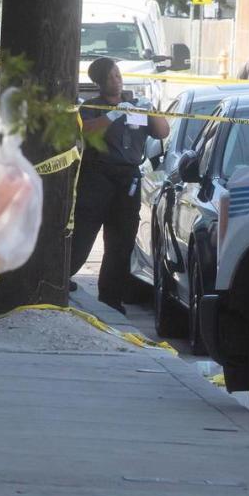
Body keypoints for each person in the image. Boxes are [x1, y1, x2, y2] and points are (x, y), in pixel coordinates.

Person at [70, 57, 169, 313]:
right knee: (84, 233)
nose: (117, 80)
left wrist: (150, 110)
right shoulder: (91, 107)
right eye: (111, 77)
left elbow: (162, 131)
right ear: (100, 82)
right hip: (97, 176)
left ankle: (111, 298)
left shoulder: (135, 105)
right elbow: (87, 131)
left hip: (128, 179)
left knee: (121, 240)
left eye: (118, 75)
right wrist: (114, 115)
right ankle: (62, 276)